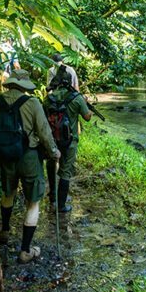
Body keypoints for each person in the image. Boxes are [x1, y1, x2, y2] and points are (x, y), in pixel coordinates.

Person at [0, 69, 61, 264]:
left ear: (10, 83)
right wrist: (54, 152)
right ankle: (25, 250)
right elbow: (44, 132)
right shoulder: (32, 103)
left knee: (8, 192)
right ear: (25, 86)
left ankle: (4, 231)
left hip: (6, 156)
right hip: (29, 156)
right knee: (33, 201)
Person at [45, 68, 92, 212]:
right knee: (65, 171)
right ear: (70, 82)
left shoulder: (48, 99)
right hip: (69, 141)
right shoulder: (76, 98)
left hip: (52, 140)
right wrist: (85, 103)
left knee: (51, 166)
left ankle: (53, 197)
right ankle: (61, 205)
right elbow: (87, 117)